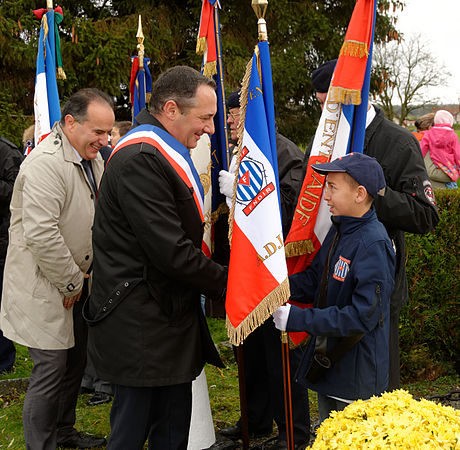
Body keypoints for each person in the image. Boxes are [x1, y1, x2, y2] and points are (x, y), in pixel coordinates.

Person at [85, 66, 228, 449]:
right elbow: (172, 252)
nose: (211, 129)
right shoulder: (141, 160)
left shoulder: (159, 153)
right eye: (205, 118)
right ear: (170, 109)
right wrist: (234, 282)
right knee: (133, 433)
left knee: (171, 429)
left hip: (163, 320)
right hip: (142, 329)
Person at [304, 60, 439, 391]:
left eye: (331, 105)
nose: (326, 116)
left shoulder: (398, 142)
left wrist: (372, 194)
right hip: (330, 280)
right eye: (321, 106)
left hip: (377, 287)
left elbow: (426, 215)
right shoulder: (322, 143)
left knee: (375, 390)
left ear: (354, 97)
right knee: (333, 386)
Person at [0, 88, 114, 449]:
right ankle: (41, 443)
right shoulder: (45, 164)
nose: (105, 139)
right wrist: (71, 283)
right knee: (50, 369)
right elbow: (41, 233)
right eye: (97, 131)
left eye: (108, 132)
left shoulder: (91, 158)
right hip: (47, 284)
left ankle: (64, 431)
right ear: (69, 122)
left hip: (78, 282)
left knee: (74, 363)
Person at [273, 153, 395, 423]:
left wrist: (299, 319)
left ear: (359, 194)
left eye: (332, 187)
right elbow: (316, 279)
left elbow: (363, 316)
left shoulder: (372, 244)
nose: (325, 196)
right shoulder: (340, 230)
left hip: (356, 377)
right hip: (331, 368)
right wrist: (277, 290)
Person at [218, 90, 309, 449]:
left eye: (235, 112)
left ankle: (293, 432)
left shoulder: (283, 152)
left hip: (275, 268)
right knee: (251, 353)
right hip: (247, 267)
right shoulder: (238, 150)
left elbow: (287, 211)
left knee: (279, 357)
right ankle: (255, 419)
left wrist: (241, 192)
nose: (228, 120)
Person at [0, 136, 23, 373]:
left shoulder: (6, 151)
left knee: (1, 304)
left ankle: (4, 361)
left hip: (2, 242)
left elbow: (19, 190)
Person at [420, 110, 459, 190]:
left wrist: (419, 160)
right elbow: (457, 153)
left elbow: (422, 148)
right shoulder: (453, 135)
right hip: (449, 164)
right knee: (452, 179)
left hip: (436, 163)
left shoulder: (429, 134)